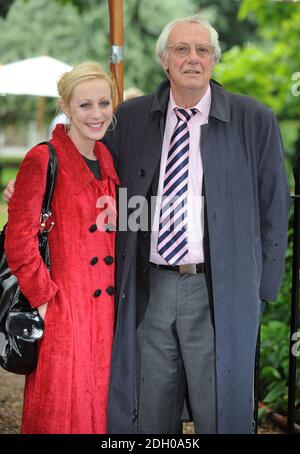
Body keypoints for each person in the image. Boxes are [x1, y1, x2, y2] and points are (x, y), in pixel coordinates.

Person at [4, 15, 290, 435]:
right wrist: (25, 185)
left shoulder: (254, 120)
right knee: (150, 417)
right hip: (148, 291)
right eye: (181, 49)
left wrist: (261, 290)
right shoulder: (133, 118)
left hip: (217, 292)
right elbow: (92, 172)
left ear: (214, 60)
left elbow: (275, 208)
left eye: (203, 50)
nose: (193, 58)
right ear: (164, 60)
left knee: (220, 416)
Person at [4, 61, 119, 434]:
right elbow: (19, 241)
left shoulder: (107, 160)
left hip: (103, 316)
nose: (96, 114)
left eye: (104, 103)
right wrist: (45, 302)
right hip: (63, 310)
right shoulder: (43, 158)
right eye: (85, 105)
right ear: (66, 106)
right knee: (58, 410)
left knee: (95, 409)